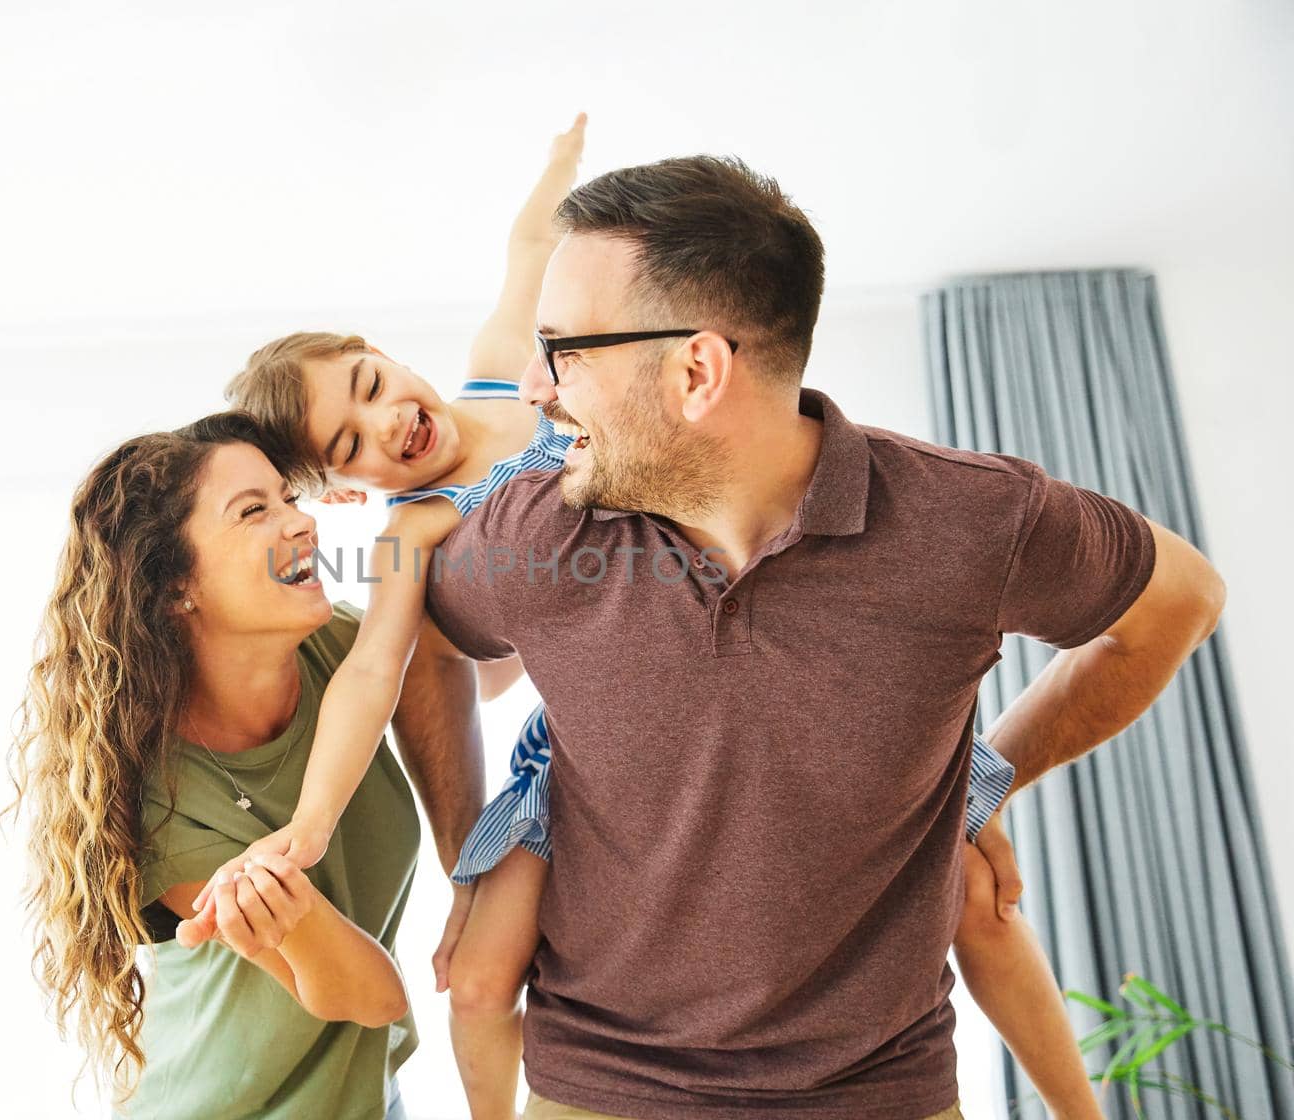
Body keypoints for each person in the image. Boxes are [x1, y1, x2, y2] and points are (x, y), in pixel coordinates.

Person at [190, 134, 1133, 1120]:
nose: (387, 419)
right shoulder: (414, 532)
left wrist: (563, 168)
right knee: (475, 972)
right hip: (581, 745)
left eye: (371, 380)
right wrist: (312, 825)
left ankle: (1078, 1106)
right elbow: (376, 673)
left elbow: (527, 250)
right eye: (351, 441)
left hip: (777, 666)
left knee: (980, 897)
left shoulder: (499, 374)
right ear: (345, 490)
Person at [412, 155, 1226, 1120]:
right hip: (597, 1092)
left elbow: (1179, 602)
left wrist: (984, 775)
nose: (537, 388)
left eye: (566, 350)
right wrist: (468, 845)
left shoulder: (971, 521)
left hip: (886, 1097)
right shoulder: (535, 534)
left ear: (696, 371)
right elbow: (423, 641)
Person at [7, 411, 483, 1120]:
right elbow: (370, 995)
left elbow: (467, 658)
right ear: (174, 587)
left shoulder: (348, 658)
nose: (301, 523)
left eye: (290, 498)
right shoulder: (160, 803)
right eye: (254, 511)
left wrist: (471, 872)